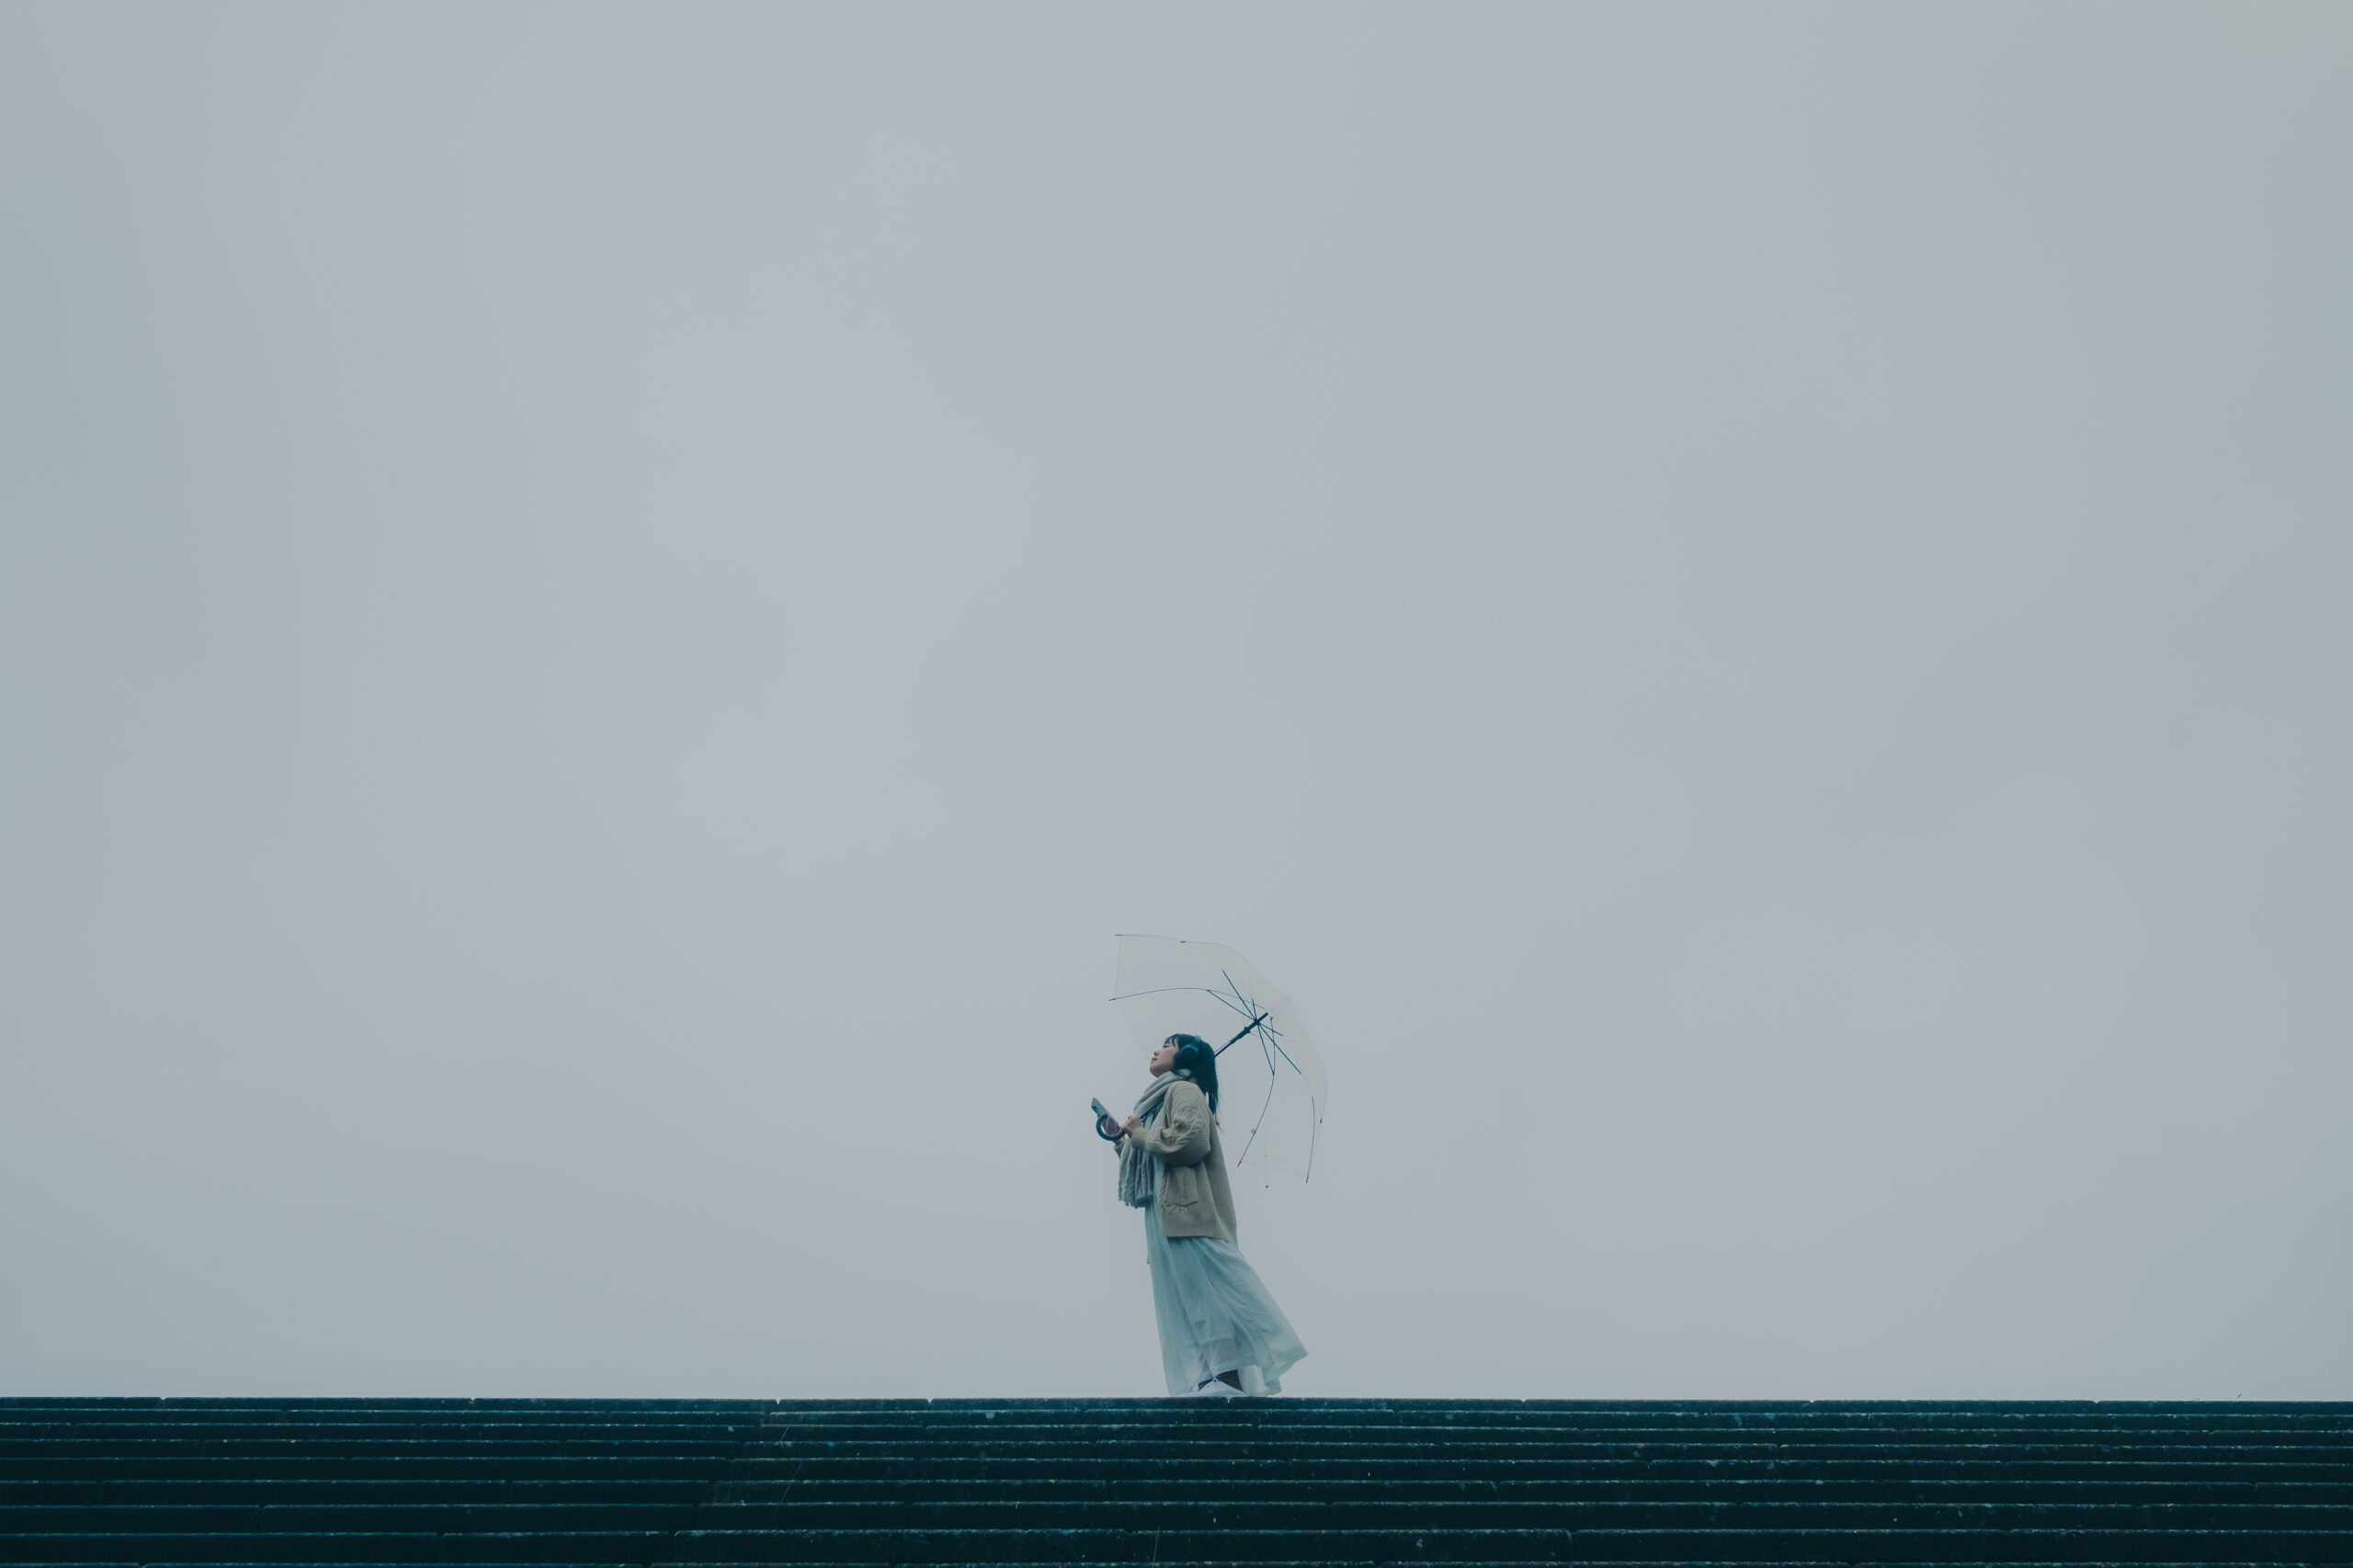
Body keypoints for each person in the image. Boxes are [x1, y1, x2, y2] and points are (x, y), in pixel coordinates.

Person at [1102, 1033, 1308, 1396]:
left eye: (1168, 1044)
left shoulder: (1184, 1091)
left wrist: (1141, 1135)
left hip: (1188, 1214)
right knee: (1182, 1303)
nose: (1156, 1049)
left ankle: (1226, 1379)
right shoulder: (1160, 1099)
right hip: (1165, 1217)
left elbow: (1190, 1143)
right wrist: (1124, 1140)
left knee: (1205, 1298)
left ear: (1188, 1055)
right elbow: (1155, 1162)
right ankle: (1206, 1380)